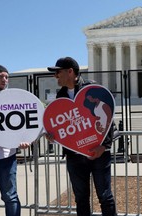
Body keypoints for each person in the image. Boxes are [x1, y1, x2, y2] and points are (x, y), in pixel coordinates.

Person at [47, 57, 117, 216]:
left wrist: (104, 146)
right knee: (81, 198)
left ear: (70, 71)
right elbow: (62, 124)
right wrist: (53, 135)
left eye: (58, 72)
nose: (55, 76)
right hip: (74, 156)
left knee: (105, 197)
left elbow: (108, 117)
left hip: (99, 152)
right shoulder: (61, 96)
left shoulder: (92, 89)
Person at [0, 64, 31, 216]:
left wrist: (26, 139)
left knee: (10, 197)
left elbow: (25, 125)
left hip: (5, 157)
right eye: (1, 76)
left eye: (7, 77)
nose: (5, 80)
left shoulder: (14, 99)